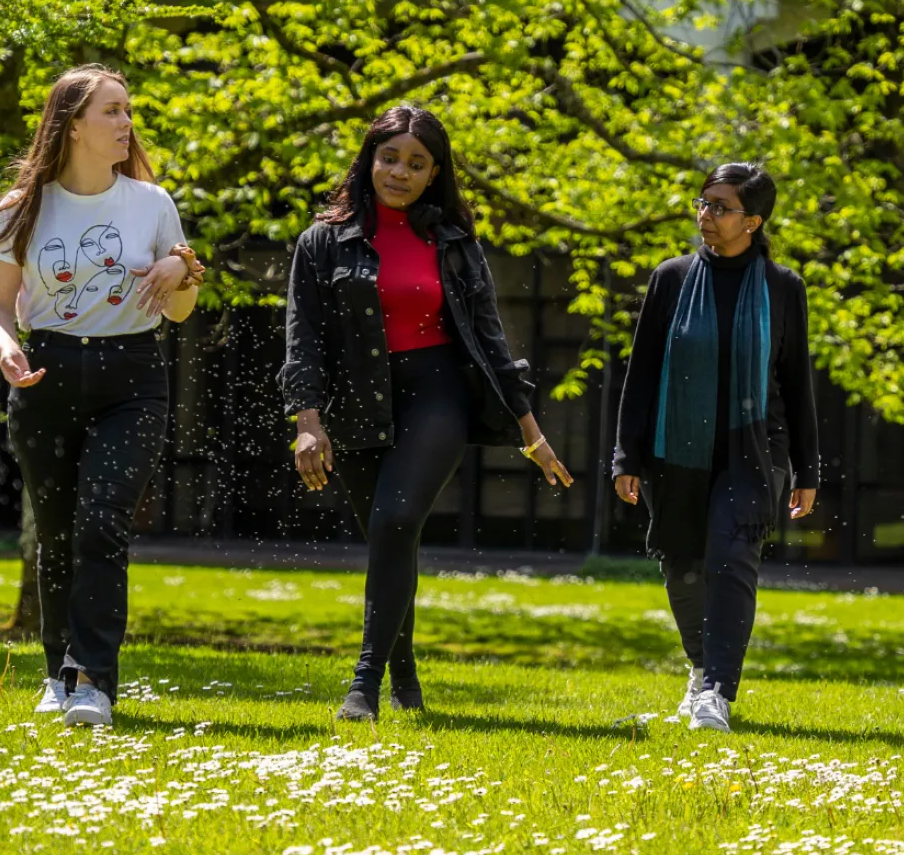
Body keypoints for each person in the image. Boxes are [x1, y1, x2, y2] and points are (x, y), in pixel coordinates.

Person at [281, 105, 572, 721]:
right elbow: (301, 338)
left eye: (417, 163)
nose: (400, 172)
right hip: (355, 399)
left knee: (395, 522)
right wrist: (308, 422)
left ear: (434, 173)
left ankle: (363, 683)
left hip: (437, 393)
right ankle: (405, 675)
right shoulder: (322, 241)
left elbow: (491, 341)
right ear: (370, 160)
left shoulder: (455, 245)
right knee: (393, 538)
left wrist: (531, 431)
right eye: (390, 158)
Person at [0, 64, 203, 727]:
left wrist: (181, 268)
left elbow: (182, 313)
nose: (125, 122)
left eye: (127, 110)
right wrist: (6, 347)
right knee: (54, 536)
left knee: (102, 523)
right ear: (73, 123)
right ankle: (57, 673)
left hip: (131, 379)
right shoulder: (18, 209)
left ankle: (94, 682)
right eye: (112, 111)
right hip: (46, 374)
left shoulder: (152, 203)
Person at [612, 163, 819, 732]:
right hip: (675, 446)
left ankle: (717, 695)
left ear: (752, 221)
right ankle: (702, 670)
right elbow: (643, 373)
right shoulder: (671, 278)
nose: (706, 215)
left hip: (756, 448)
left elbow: (797, 381)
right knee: (682, 565)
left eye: (721, 208)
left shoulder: (783, 287)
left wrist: (808, 467)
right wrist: (625, 456)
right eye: (703, 204)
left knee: (730, 558)